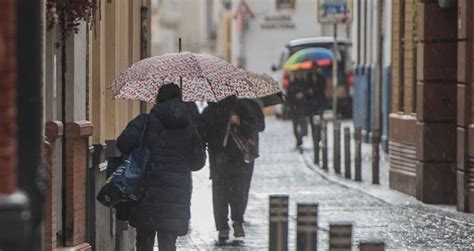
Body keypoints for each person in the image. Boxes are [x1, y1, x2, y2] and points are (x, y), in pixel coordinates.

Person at [117, 83, 206, 251]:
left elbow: (123, 144)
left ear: (158, 99)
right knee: (168, 244)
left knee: (144, 242)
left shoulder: (145, 121)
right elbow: (198, 163)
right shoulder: (189, 128)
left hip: (146, 190)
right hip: (175, 194)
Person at [198, 96, 265, 242]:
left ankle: (234, 223)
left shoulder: (240, 107)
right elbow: (202, 133)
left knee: (232, 192)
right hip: (221, 160)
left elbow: (256, 127)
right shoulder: (211, 111)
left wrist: (239, 122)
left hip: (234, 159)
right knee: (225, 193)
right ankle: (225, 226)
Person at [286, 71, 308, 148]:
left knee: (303, 125)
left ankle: (301, 137)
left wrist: (303, 94)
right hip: (294, 108)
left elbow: (308, 93)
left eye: (299, 73)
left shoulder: (305, 83)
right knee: (295, 127)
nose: (298, 74)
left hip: (302, 107)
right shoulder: (292, 84)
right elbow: (288, 96)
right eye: (297, 73)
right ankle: (298, 139)